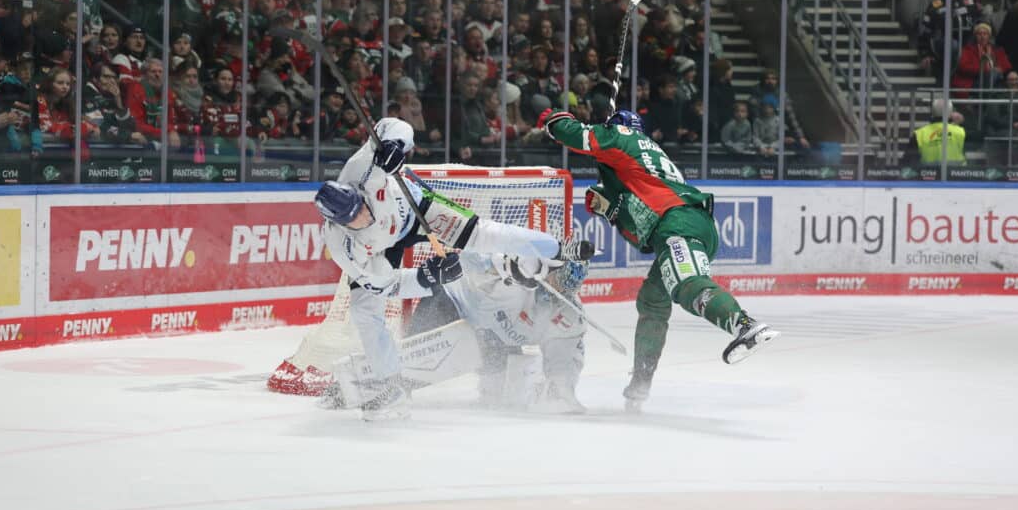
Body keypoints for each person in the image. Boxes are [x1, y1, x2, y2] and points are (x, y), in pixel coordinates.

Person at [313, 116, 593, 420]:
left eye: (362, 207)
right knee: (364, 310)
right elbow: (385, 284)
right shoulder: (343, 248)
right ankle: (390, 386)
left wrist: (395, 144)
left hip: (416, 210)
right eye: (354, 219)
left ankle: (556, 248)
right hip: (383, 252)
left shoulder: (360, 169)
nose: (364, 217)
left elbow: (393, 126)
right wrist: (426, 277)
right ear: (338, 223)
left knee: (483, 233)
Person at [538, 107, 779, 412]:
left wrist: (554, 119)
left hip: (678, 223)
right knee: (652, 300)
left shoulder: (623, 136)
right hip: (681, 223)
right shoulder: (643, 161)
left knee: (685, 284)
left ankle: (744, 325)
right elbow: (642, 233)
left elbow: (578, 136)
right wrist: (612, 209)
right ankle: (640, 383)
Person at [313, 251, 590, 414]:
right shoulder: (524, 263)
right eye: (557, 277)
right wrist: (503, 266)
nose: (559, 287)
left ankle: (373, 385)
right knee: (416, 360)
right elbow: (468, 257)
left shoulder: (568, 316)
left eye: (568, 284)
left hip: (493, 337)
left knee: (497, 397)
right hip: (453, 303)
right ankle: (356, 387)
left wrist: (561, 389)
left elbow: (563, 363)